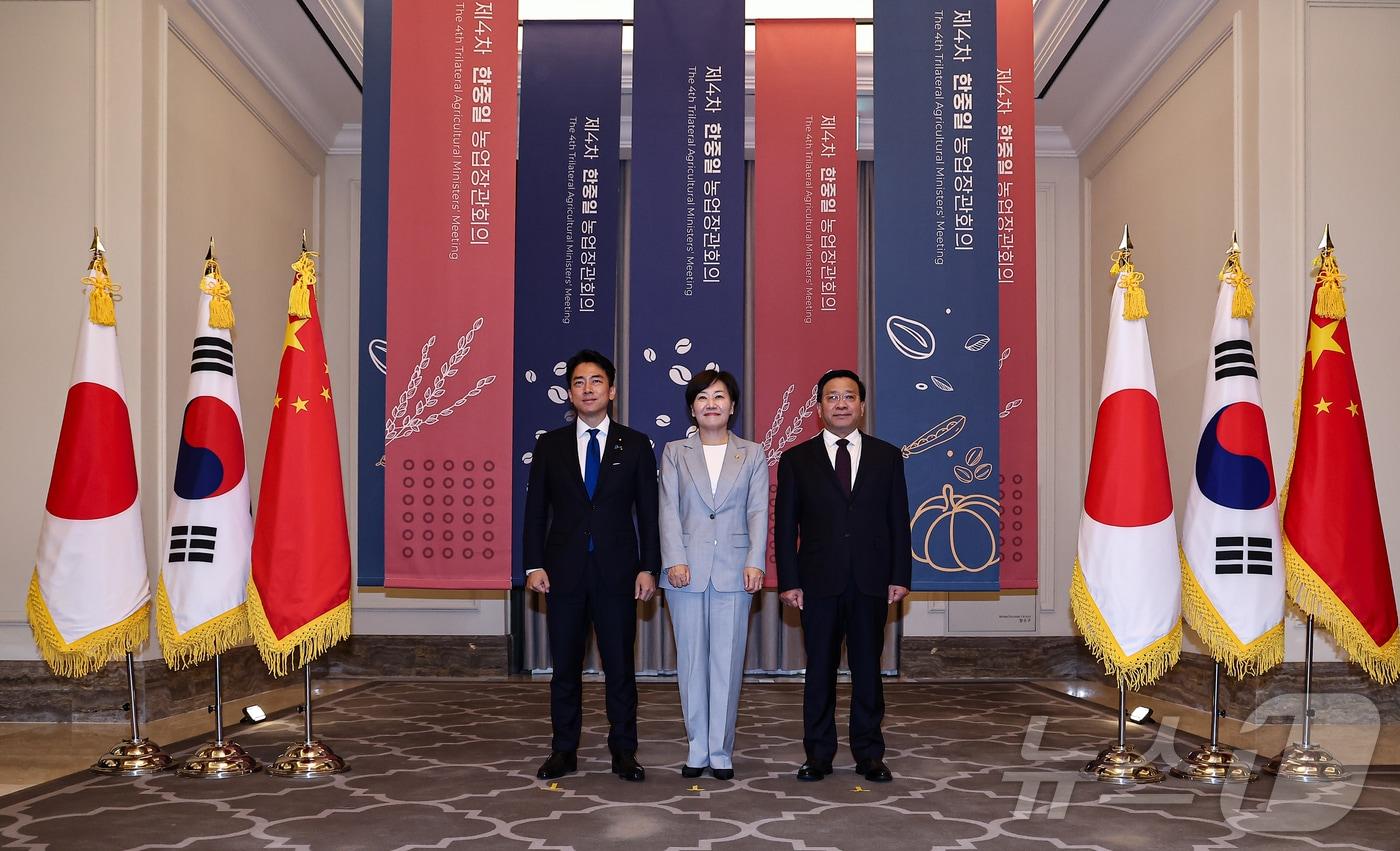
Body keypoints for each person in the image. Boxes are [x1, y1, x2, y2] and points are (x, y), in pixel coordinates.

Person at [522, 349, 660, 782]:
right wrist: (533, 564)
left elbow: (649, 513)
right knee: (564, 668)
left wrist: (648, 566)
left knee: (620, 668)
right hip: (562, 573)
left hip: (619, 573)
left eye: (596, 381)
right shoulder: (550, 445)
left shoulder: (636, 444)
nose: (588, 389)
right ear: (569, 392)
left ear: (612, 390)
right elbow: (535, 512)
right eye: (579, 382)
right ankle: (564, 750)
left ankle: (624, 752)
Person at [774, 369, 911, 783]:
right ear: (819, 409)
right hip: (817, 583)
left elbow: (897, 521)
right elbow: (785, 527)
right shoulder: (797, 459)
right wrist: (789, 581)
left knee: (869, 670)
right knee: (820, 672)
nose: (841, 404)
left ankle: (870, 754)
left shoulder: (887, 456)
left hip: (871, 581)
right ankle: (818, 754)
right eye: (832, 397)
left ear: (862, 406)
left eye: (849, 397)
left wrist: (899, 574)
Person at [658, 370, 768, 780]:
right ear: (692, 407)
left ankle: (721, 749)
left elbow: (758, 511)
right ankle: (696, 747)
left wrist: (754, 561)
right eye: (702, 397)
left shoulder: (752, 453)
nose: (711, 403)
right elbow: (667, 508)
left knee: (726, 659)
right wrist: (674, 559)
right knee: (690, 662)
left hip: (735, 572)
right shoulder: (674, 452)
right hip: (685, 571)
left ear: (733, 406)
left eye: (719, 396)